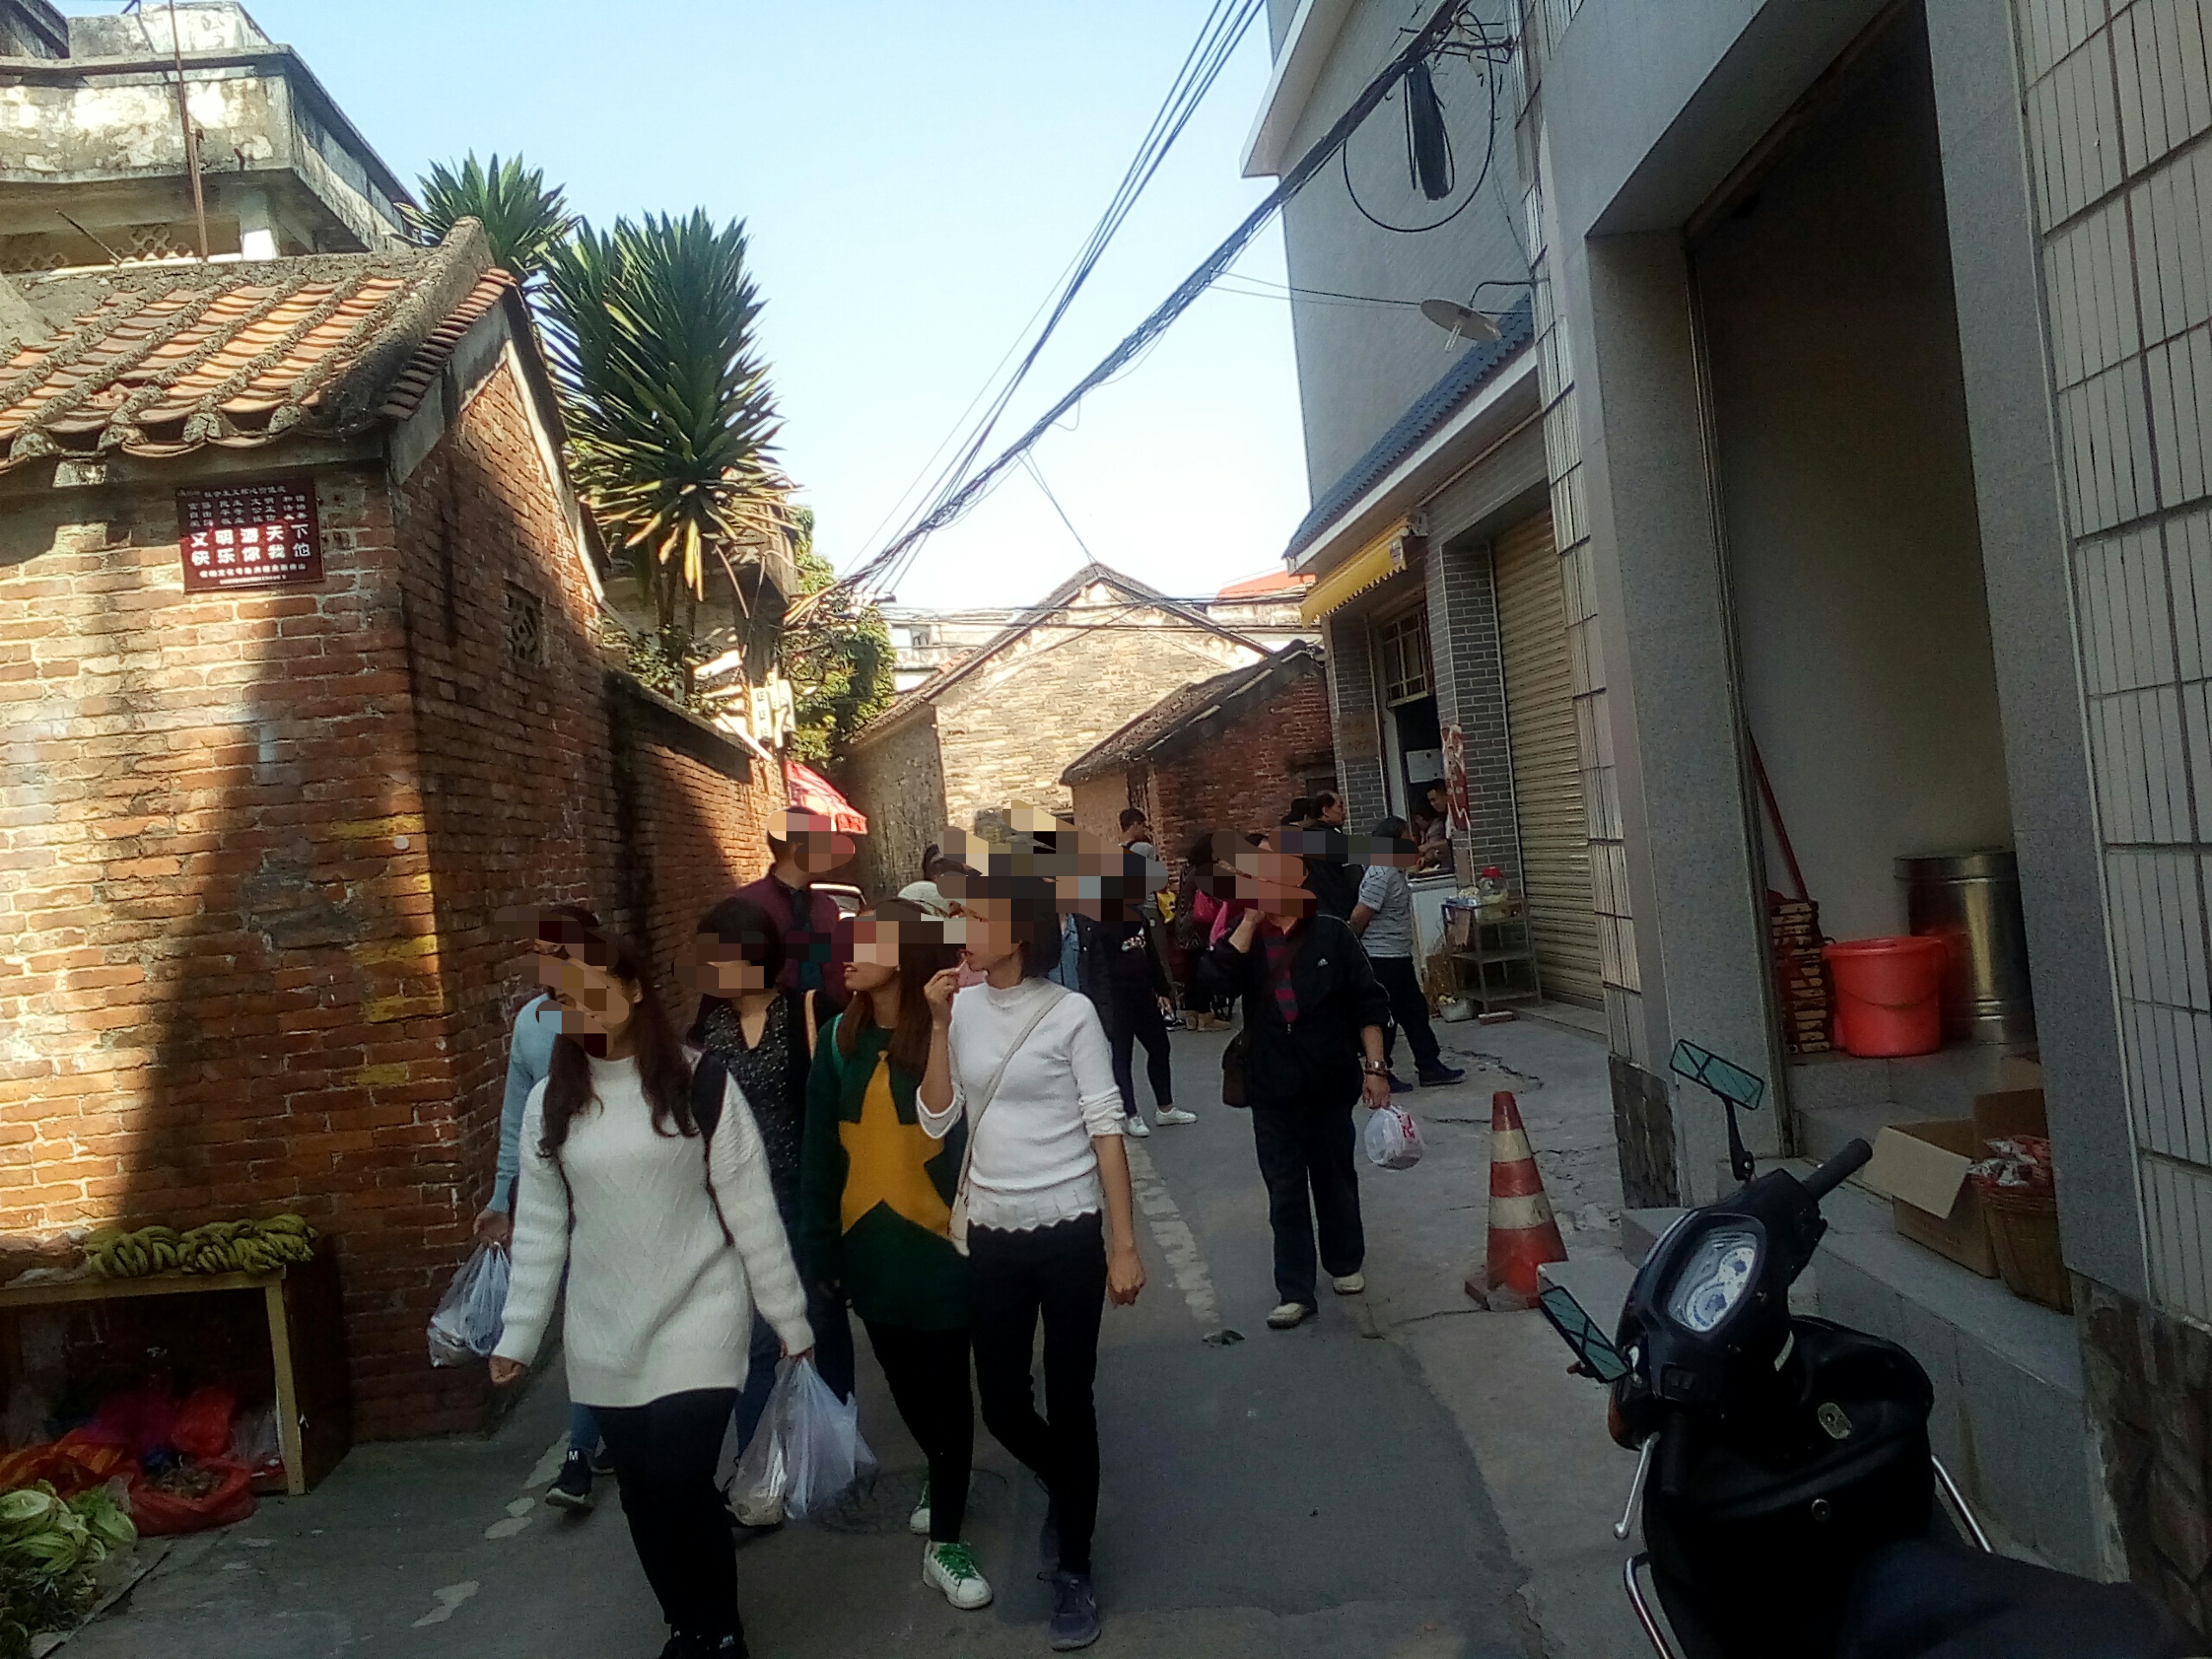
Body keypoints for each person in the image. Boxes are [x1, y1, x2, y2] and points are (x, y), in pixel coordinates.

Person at [490, 930, 812, 1659]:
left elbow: (751, 1208)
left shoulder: (700, 1082)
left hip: (701, 1312)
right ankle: (684, 1624)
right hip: (604, 1327)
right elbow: (540, 1229)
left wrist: (788, 1318)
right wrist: (519, 1335)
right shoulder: (552, 1104)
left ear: (633, 990)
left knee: (680, 1480)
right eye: (563, 999)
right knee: (639, 1492)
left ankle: (721, 1630)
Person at [918, 874, 1145, 1653]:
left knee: (1072, 1396)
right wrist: (938, 1022)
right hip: (992, 1230)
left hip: (1070, 1227)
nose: (962, 929)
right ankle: (1070, 1480)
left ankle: (1075, 1566)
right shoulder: (960, 1008)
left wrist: (1124, 1245)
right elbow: (936, 1118)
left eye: (975, 917)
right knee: (1004, 1403)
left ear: (1018, 933)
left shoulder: (1070, 1013)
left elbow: (1105, 1126)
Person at [798, 901, 988, 1611]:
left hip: (941, 1249)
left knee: (947, 1390)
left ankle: (947, 1542)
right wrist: (820, 1252)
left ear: (907, 953)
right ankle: (940, 1469)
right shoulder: (838, 1041)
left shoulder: (950, 1031)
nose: (850, 950)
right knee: (905, 1385)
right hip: (868, 1250)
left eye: (870, 940)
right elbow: (820, 1154)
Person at [684, 896, 855, 1525]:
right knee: (755, 1341)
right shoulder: (704, 1033)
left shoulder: (808, 1011)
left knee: (821, 1327)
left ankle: (830, 1453)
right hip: (736, 1204)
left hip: (805, 1197)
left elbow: (837, 1108)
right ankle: (759, 1475)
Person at [1208, 835, 1392, 1331]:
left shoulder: (1332, 933)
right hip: (1271, 1086)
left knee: (1335, 1179)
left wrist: (1375, 1068)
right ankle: (1294, 1290)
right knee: (1284, 1189)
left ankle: (1345, 1260)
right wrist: (1248, 922)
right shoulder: (1247, 938)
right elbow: (1215, 985)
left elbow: (1368, 1003)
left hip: (1329, 1080)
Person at [474, 902, 609, 1512]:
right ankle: (581, 1451)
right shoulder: (530, 1023)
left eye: (558, 953)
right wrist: (502, 1198)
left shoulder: (614, 1012)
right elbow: (516, 1120)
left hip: (619, 1190)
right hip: (561, 1192)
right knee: (584, 1317)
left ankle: (607, 1431)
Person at [1351, 820, 1467, 1090]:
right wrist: (1354, 945)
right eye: (1407, 838)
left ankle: (1429, 1066)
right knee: (1386, 1018)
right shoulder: (1381, 874)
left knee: (1414, 1012)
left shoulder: (1394, 868)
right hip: (1382, 958)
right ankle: (1381, 1072)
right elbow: (1360, 915)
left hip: (1397, 955)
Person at [735, 809, 855, 1010]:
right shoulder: (745, 905)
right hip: (773, 1023)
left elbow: (835, 971)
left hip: (831, 1020)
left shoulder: (826, 906)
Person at [1297, 791, 1362, 921]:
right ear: (1325, 810)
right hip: (1340, 911)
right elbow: (1355, 876)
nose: (1344, 813)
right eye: (1340, 807)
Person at [1414, 782, 1454, 874]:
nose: (1433, 804)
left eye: (1434, 800)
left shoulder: (1453, 817)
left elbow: (1452, 843)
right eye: (1430, 801)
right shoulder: (1447, 817)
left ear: (1445, 795)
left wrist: (1428, 846)